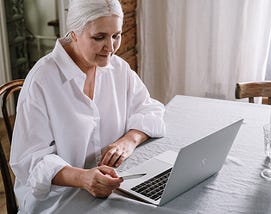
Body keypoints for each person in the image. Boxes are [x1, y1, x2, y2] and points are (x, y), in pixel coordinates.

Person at [9, 0, 166, 212]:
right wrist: (83, 178)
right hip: (57, 201)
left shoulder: (118, 69)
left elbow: (150, 110)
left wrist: (129, 141)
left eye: (116, 35)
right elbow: (30, 161)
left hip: (110, 190)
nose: (110, 48)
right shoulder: (42, 81)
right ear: (73, 33)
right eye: (99, 37)